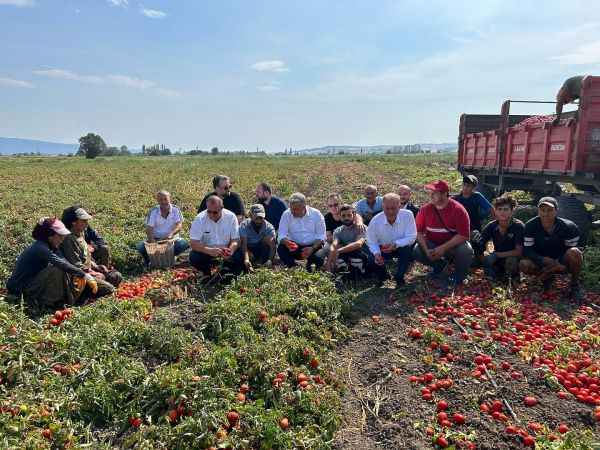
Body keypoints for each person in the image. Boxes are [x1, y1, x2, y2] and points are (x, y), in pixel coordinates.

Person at [6, 218, 98, 308]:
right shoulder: (41, 248)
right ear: (50, 236)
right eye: (60, 236)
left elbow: (63, 261)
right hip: (20, 288)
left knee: (66, 270)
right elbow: (60, 264)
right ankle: (48, 303)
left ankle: (67, 300)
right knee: (57, 270)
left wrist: (79, 273)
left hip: (33, 282)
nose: (62, 240)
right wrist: (84, 275)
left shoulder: (51, 245)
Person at [519, 196, 584, 300]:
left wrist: (558, 264)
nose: (545, 213)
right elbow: (527, 250)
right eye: (542, 210)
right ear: (538, 211)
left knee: (575, 252)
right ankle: (545, 279)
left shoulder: (568, 227)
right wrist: (542, 259)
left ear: (556, 211)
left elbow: (572, 250)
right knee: (524, 264)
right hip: (540, 260)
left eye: (550, 210)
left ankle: (574, 285)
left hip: (561, 261)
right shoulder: (530, 226)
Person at [413, 180, 474, 288]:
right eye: (430, 192)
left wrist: (443, 248)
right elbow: (418, 232)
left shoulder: (458, 210)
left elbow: (464, 235)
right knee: (417, 250)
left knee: (466, 250)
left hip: (452, 248)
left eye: (434, 192)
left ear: (444, 194)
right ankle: (439, 266)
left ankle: (459, 276)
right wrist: (427, 250)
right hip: (433, 245)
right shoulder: (425, 210)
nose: (430, 195)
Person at [61, 207, 120, 298]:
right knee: (109, 289)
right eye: (83, 221)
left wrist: (97, 266)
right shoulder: (68, 239)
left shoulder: (80, 233)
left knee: (116, 276)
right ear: (73, 222)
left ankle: (97, 286)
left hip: (87, 271)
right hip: (79, 277)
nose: (87, 224)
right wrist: (93, 273)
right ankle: (84, 295)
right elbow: (76, 266)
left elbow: (85, 256)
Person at [366, 193, 417, 287]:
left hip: (400, 247)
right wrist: (377, 253)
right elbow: (371, 241)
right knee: (372, 258)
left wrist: (396, 244)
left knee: (406, 249)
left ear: (399, 206)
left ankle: (399, 277)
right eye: (387, 208)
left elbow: (412, 236)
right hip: (384, 248)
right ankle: (384, 276)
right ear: (382, 207)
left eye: (393, 208)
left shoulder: (408, 215)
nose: (390, 211)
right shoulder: (375, 221)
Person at [189, 195, 243, 276]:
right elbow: (193, 243)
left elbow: (236, 240)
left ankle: (226, 273)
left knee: (239, 256)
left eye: (215, 212)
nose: (211, 215)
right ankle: (206, 274)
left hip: (225, 250)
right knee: (194, 256)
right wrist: (209, 250)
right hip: (207, 251)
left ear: (222, 208)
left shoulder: (231, 217)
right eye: (209, 211)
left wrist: (230, 250)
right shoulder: (199, 219)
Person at [136, 191, 189, 266]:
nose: (163, 202)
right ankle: (149, 261)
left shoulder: (175, 210)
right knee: (141, 247)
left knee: (183, 244)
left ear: (170, 199)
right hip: (156, 239)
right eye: (160, 199)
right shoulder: (153, 211)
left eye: (165, 199)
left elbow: (179, 225)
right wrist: (152, 242)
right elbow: (149, 228)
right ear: (157, 200)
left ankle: (170, 257)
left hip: (170, 240)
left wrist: (171, 234)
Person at [479, 194, 524, 280]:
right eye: (499, 209)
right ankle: (493, 274)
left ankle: (512, 278)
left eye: (506, 209)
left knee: (512, 261)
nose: (502, 212)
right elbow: (481, 244)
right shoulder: (491, 226)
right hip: (497, 260)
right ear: (495, 211)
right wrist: (485, 258)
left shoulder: (518, 226)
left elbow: (519, 252)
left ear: (512, 211)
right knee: (479, 257)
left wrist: (496, 255)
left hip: (511, 259)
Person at [277, 192, 326, 270]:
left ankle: (310, 265)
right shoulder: (286, 214)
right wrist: (287, 242)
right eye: (291, 208)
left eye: (296, 209)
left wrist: (312, 248)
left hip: (313, 246)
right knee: (281, 249)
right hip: (295, 247)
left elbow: (321, 236)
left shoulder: (316, 214)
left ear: (304, 206)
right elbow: (281, 235)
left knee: (318, 257)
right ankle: (294, 266)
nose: (292, 212)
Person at [452, 175, 492, 257]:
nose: (465, 188)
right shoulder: (456, 199)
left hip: (474, 230)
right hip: (459, 231)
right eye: (464, 185)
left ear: (473, 188)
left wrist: (484, 218)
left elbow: (490, 209)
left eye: (468, 186)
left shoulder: (476, 197)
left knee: (480, 250)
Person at [324, 204, 370, 274]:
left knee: (356, 261)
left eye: (349, 215)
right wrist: (328, 263)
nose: (346, 218)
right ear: (339, 216)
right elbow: (334, 245)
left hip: (361, 253)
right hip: (346, 254)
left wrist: (338, 251)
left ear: (354, 215)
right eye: (343, 216)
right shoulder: (338, 231)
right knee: (336, 262)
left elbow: (358, 244)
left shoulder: (361, 228)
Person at [240, 204, 276, 272]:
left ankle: (261, 262)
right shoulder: (244, 226)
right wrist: (246, 259)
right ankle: (250, 263)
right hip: (248, 248)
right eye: (256, 217)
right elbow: (243, 245)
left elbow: (273, 245)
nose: (259, 220)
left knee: (268, 242)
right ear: (250, 216)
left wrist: (270, 260)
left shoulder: (269, 227)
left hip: (260, 248)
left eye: (261, 217)